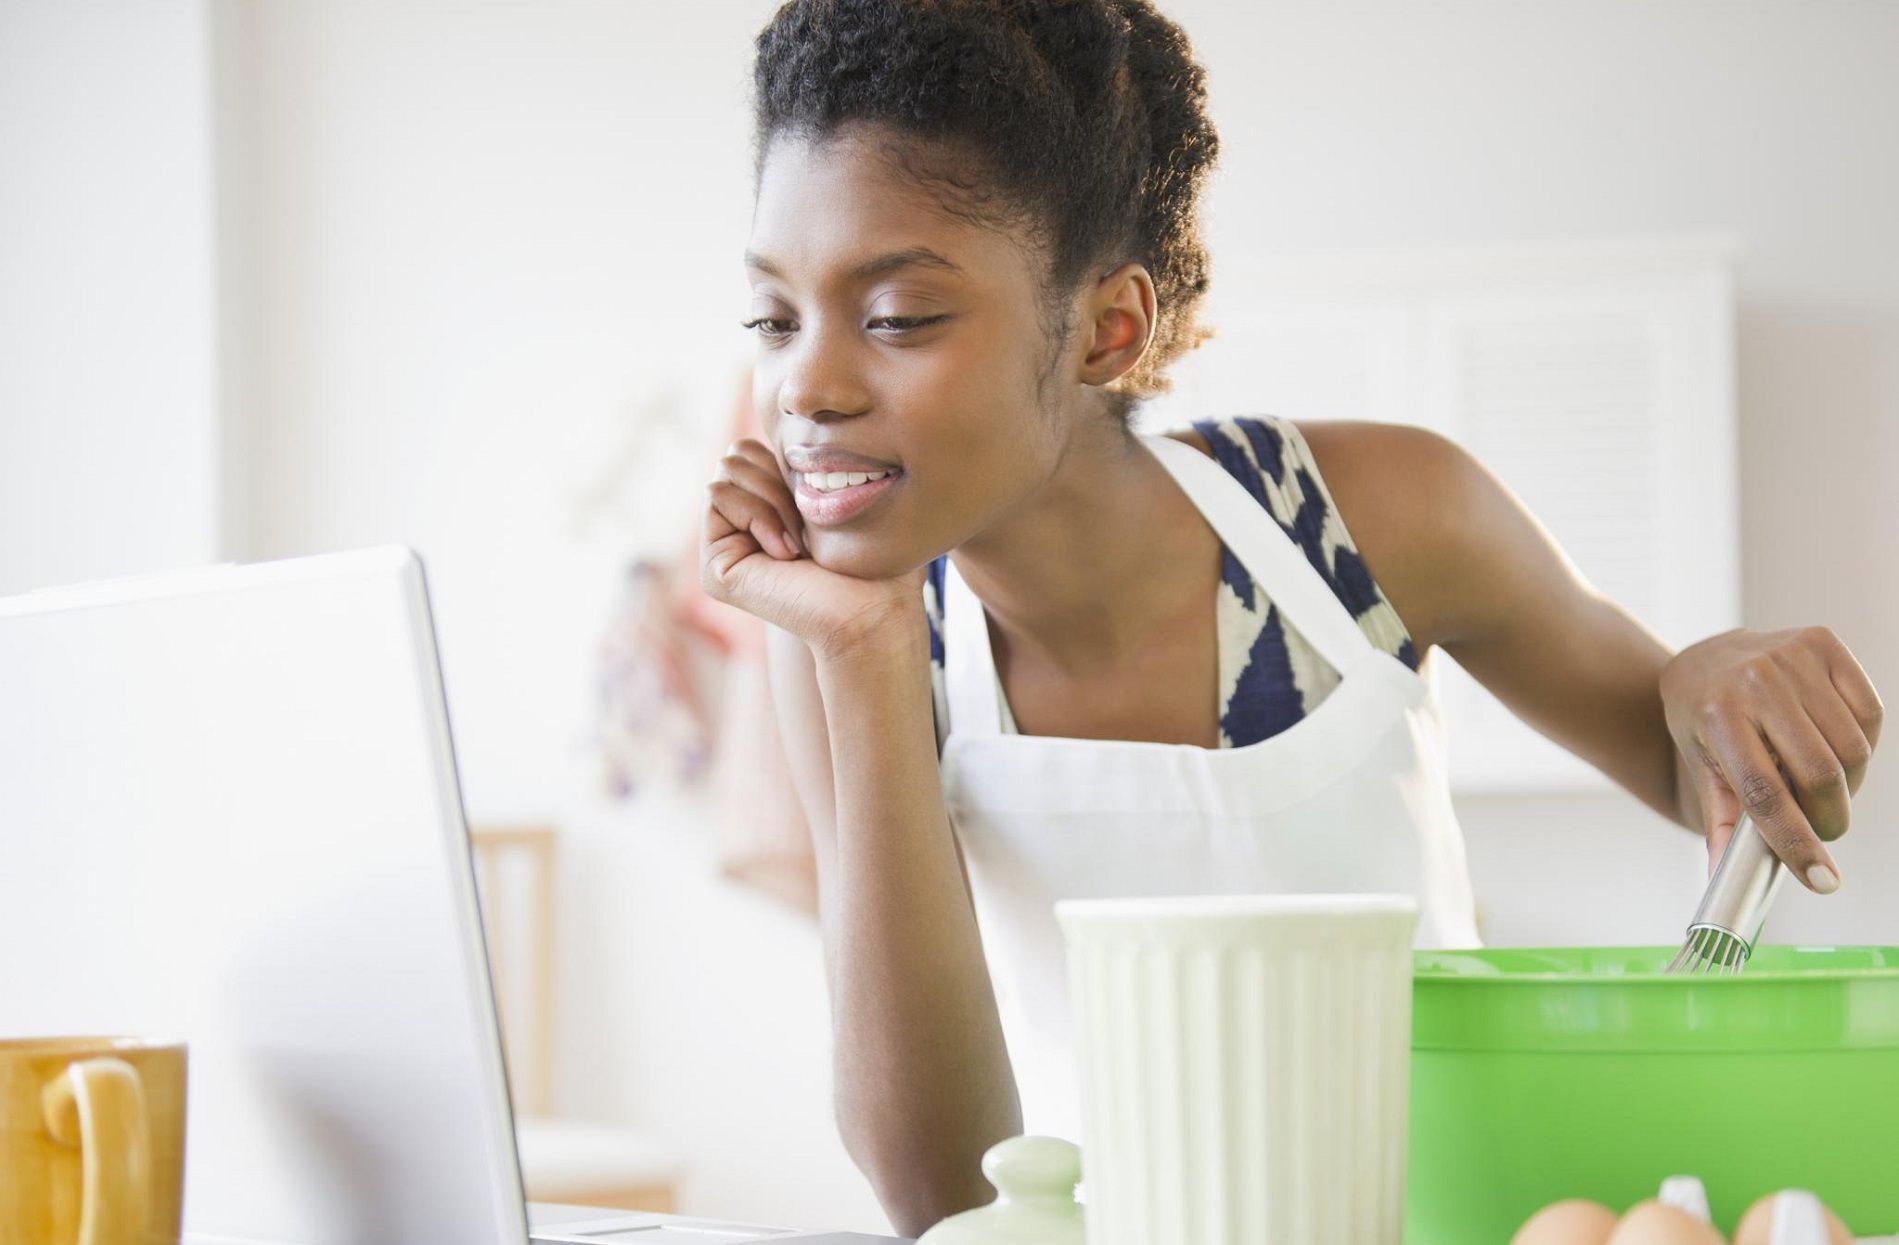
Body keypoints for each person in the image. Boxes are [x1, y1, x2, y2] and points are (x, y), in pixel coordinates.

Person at [698, 1, 1883, 1235]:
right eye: (776, 319)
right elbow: (936, 1191)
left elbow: (1697, 764)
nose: (810, 389)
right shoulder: (861, 636)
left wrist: (1723, 687)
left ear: (1108, 328)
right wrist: (864, 651)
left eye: (896, 318)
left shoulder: (1376, 519)